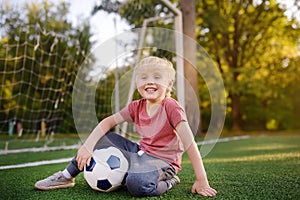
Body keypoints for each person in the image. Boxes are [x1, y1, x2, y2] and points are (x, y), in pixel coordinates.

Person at [35, 56, 217, 197]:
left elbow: (190, 144)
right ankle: (66, 176)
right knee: (102, 138)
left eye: (157, 77)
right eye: (144, 77)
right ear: (137, 83)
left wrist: (201, 179)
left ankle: (169, 181)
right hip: (139, 151)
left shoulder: (171, 107)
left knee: (137, 185)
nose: (150, 81)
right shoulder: (136, 106)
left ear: (169, 84)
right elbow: (108, 122)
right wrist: (88, 145)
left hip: (163, 162)